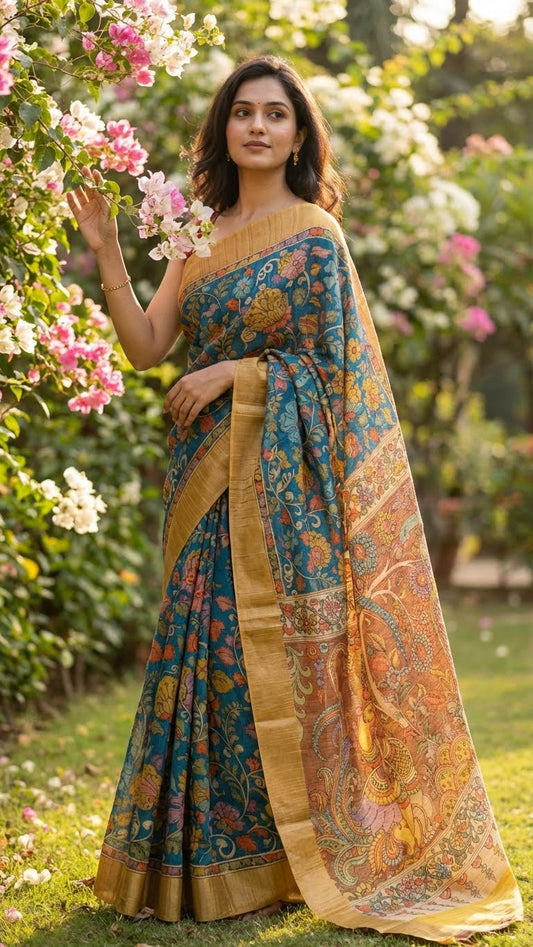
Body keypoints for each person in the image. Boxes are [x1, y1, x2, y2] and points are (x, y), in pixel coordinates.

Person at [66, 55, 523, 943]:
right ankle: (204, 864)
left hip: (281, 494)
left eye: (276, 115)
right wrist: (110, 251)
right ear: (223, 128)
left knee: (262, 663)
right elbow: (148, 346)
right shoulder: (195, 232)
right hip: (203, 487)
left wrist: (238, 371)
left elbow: (336, 374)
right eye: (243, 113)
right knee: (199, 656)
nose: (258, 128)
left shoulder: (314, 235)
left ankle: (288, 855)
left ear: (298, 134)